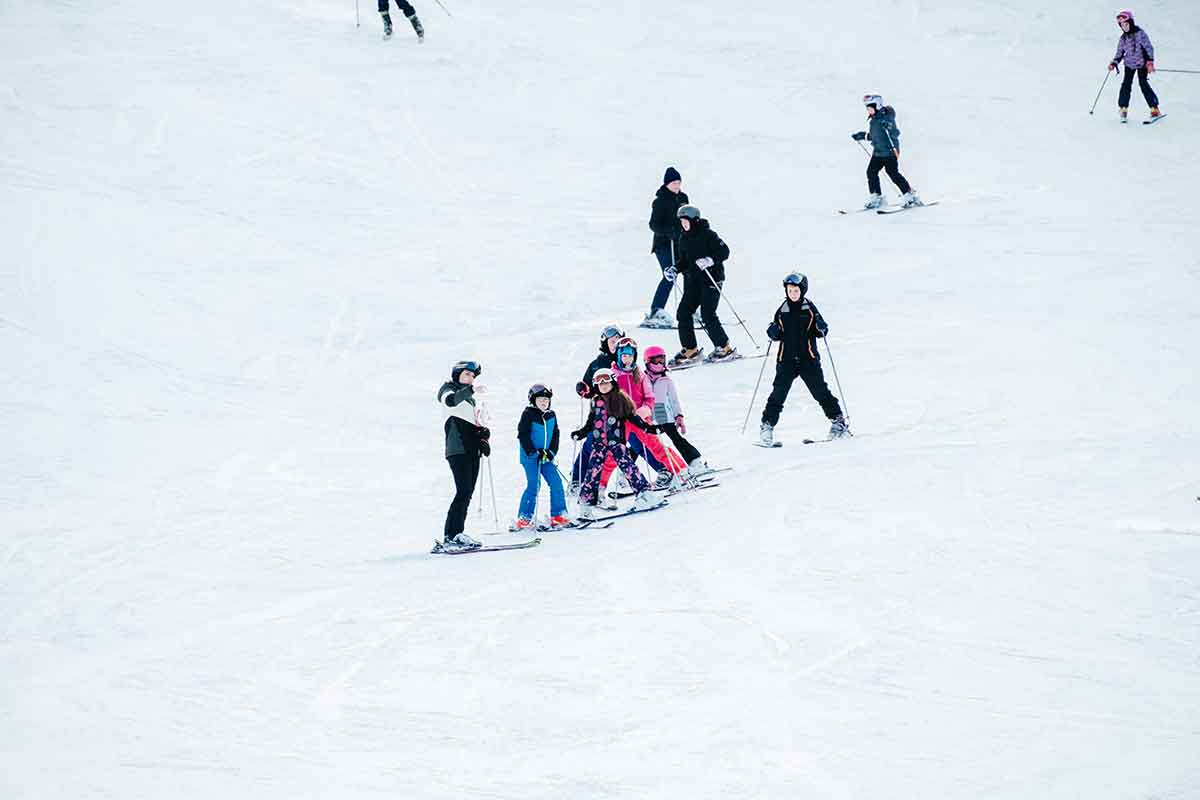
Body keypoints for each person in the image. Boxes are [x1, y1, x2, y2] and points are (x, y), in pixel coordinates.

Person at [760, 274, 849, 446]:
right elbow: (776, 332)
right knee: (778, 393)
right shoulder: (782, 309)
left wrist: (822, 328)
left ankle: (838, 422)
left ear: (802, 291)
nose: (793, 294)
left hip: (808, 359)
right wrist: (773, 331)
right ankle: (767, 426)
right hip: (786, 360)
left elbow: (819, 330)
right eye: (790, 291)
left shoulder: (809, 308)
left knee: (820, 391)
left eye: (796, 291)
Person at [570, 369, 667, 519]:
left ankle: (644, 494)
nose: (603, 386)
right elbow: (591, 422)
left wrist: (649, 428)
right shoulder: (595, 401)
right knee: (592, 473)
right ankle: (586, 505)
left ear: (613, 382)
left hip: (616, 443)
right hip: (598, 444)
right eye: (600, 384)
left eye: (606, 383)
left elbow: (633, 418)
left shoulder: (621, 398)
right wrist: (581, 433)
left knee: (629, 467)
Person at [611, 337, 687, 488]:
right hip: (622, 420)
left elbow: (650, 397)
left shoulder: (640, 375)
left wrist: (644, 410)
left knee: (656, 446)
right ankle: (621, 482)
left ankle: (680, 471)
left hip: (640, 418)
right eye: (624, 355)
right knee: (620, 450)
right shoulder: (613, 375)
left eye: (630, 356)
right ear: (619, 356)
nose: (627, 359)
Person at [670, 205, 736, 366]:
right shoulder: (683, 238)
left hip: (711, 280)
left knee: (708, 314)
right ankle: (690, 349)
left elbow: (724, 251)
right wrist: (675, 269)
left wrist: (709, 260)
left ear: (695, 220)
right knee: (683, 312)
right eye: (681, 222)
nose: (684, 224)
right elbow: (684, 261)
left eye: (686, 221)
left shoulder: (708, 235)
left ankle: (724, 347)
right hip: (693, 281)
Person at [437, 360, 490, 549]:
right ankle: (451, 535)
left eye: (473, 376)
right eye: (467, 374)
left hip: (471, 451)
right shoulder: (447, 390)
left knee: (467, 493)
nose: (471, 379)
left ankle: (457, 533)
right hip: (458, 450)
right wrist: (472, 390)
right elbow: (451, 401)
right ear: (457, 374)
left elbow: (472, 425)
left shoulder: (470, 401)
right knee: (463, 491)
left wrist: (482, 436)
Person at [643, 345, 711, 475]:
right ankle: (630, 472)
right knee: (645, 443)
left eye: (661, 360)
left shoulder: (666, 380)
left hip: (663, 414)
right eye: (655, 361)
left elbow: (674, 400)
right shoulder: (643, 378)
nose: (659, 364)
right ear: (647, 362)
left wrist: (678, 416)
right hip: (648, 415)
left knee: (676, 438)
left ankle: (695, 461)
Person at [852, 94, 922, 210]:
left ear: (878, 106)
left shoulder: (887, 118)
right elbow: (875, 136)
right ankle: (876, 197)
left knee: (893, 173)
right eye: (867, 108)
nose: (868, 110)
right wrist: (862, 135)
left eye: (870, 108)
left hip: (890, 152)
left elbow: (895, 133)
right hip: (878, 152)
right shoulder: (874, 120)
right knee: (871, 172)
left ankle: (909, 196)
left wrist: (888, 126)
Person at [515, 384, 569, 530]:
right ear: (533, 400)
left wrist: (551, 452)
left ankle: (558, 514)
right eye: (540, 399)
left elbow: (555, 435)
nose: (544, 402)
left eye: (546, 399)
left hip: (546, 457)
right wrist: (533, 452)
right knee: (534, 485)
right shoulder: (528, 414)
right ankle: (524, 518)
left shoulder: (551, 415)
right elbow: (523, 435)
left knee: (556, 483)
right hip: (530, 457)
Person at [643, 167, 690, 329]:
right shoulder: (660, 201)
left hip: (680, 243)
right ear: (667, 184)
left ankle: (690, 307)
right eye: (674, 183)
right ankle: (656, 310)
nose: (677, 185)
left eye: (679, 182)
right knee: (670, 274)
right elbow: (653, 224)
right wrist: (668, 231)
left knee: (689, 272)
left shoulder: (683, 198)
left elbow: (688, 218)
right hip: (664, 244)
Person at [1109, 10, 1161, 122]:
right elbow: (1119, 53)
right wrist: (1114, 63)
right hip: (1129, 64)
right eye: (1122, 25)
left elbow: (1148, 48)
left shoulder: (1140, 34)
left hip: (1142, 64)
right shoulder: (1123, 38)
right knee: (1126, 85)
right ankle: (1123, 109)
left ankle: (1154, 109)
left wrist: (1150, 62)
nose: (1124, 27)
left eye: (1126, 24)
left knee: (1143, 84)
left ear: (1131, 23)